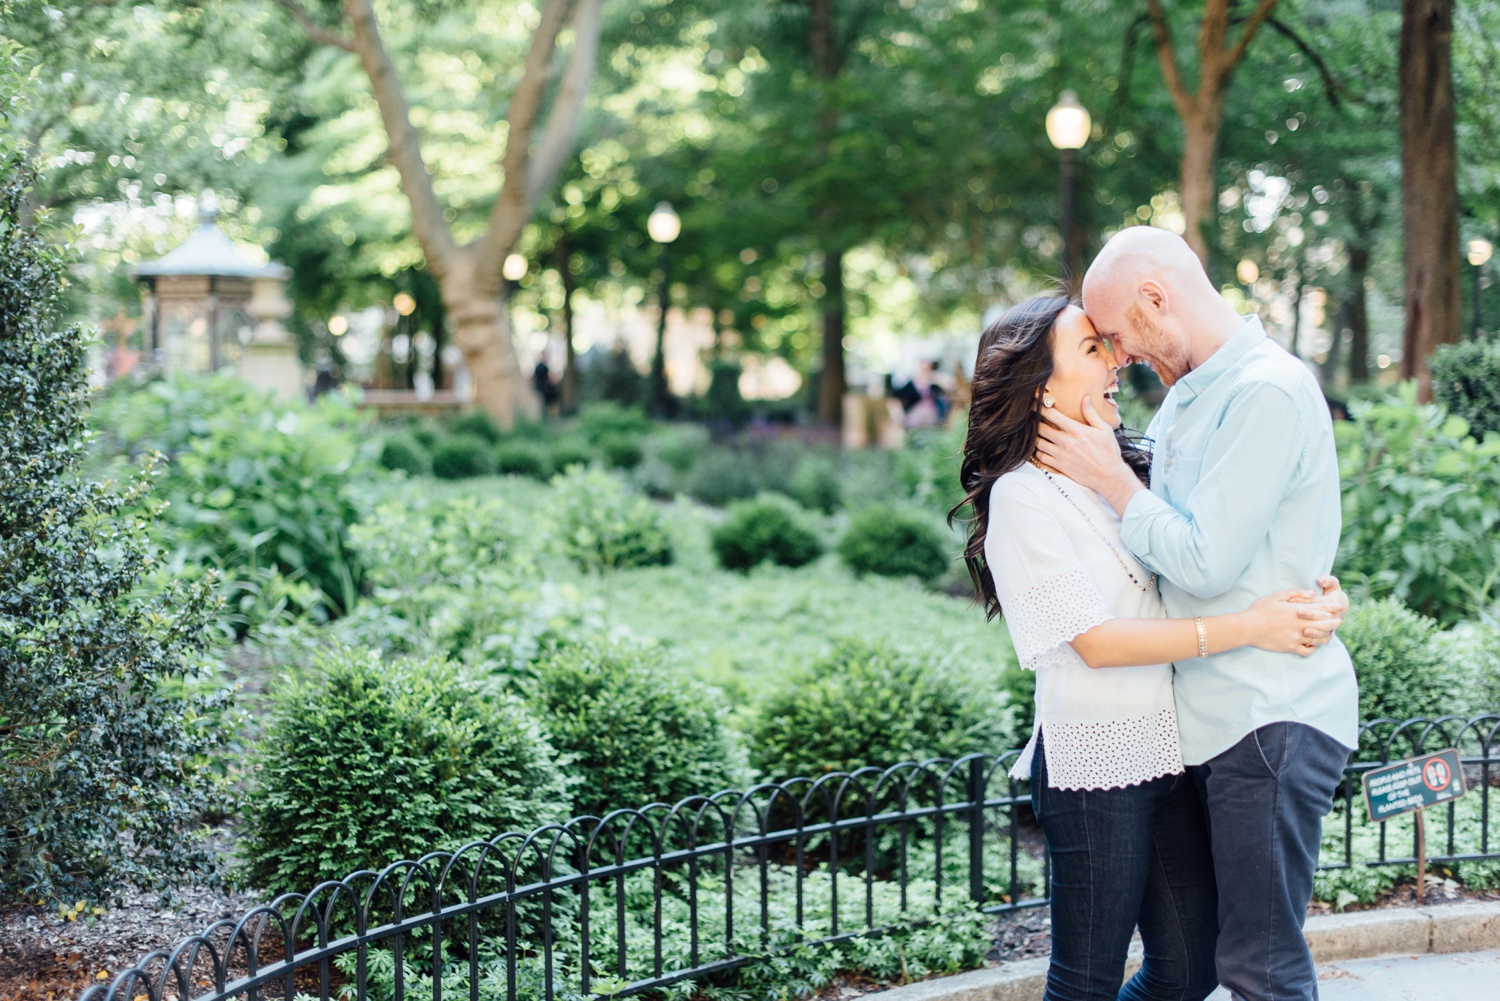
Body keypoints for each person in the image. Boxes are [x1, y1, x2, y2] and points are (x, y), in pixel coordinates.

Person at [951, 294, 1346, 1001]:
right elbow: (1096, 644)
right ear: (1041, 386)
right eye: (1092, 350)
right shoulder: (1022, 498)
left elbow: (1207, 554)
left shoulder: (1122, 468)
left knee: (1192, 964)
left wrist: (1314, 595)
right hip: (1094, 761)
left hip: (1171, 745)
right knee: (1085, 979)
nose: (1115, 364)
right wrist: (1250, 627)